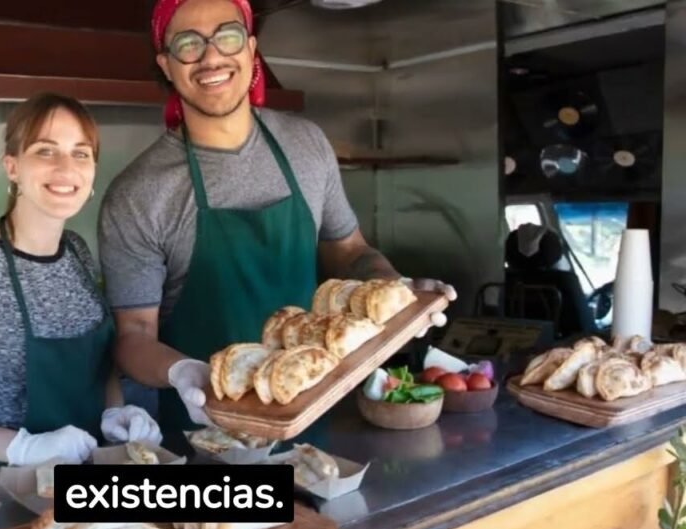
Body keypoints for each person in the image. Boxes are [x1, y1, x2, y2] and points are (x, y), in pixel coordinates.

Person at [97, 0, 457, 449]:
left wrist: (392, 291)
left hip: (317, 418)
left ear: (251, 49)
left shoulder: (306, 145)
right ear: (166, 65)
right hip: (207, 437)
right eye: (188, 44)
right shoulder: (138, 194)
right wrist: (185, 373)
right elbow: (133, 336)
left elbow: (349, 251)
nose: (211, 57)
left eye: (226, 36)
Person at [0, 93, 161, 471]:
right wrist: (23, 449)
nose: (66, 167)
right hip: (16, 489)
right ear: (12, 166)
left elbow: (97, 368)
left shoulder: (77, 252)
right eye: (45, 151)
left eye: (81, 153)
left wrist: (115, 412)